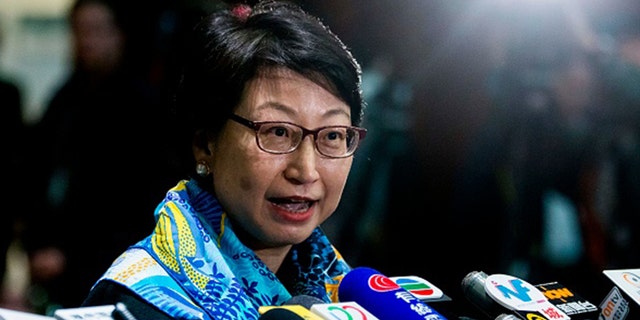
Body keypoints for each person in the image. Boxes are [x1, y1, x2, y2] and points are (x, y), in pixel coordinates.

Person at [80, 0, 367, 319]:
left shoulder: (351, 295)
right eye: (277, 132)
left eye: (332, 135)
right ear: (206, 144)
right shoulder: (136, 303)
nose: (306, 171)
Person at [22, 0, 174, 313]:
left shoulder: (139, 105)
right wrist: (37, 245)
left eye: (96, 31)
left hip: (107, 269)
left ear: (119, 34)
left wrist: (68, 252)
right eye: (79, 31)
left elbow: (130, 198)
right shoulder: (64, 97)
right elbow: (36, 176)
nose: (86, 41)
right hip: (53, 269)